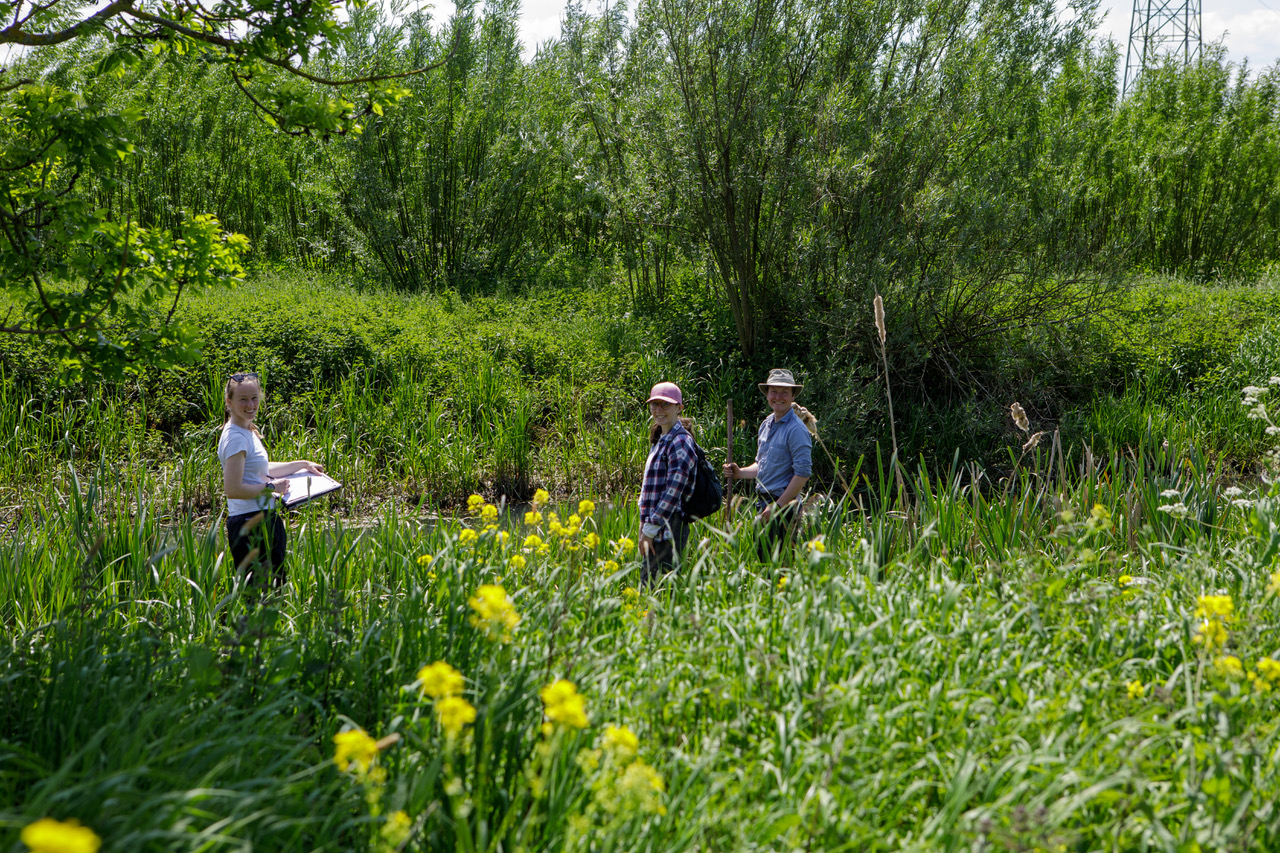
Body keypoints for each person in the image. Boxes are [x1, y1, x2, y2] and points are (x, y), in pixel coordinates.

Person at [218, 371, 324, 589]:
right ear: (229, 401)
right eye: (243, 399)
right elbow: (232, 488)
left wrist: (303, 464)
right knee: (260, 597)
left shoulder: (246, 430)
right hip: (250, 524)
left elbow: (261, 469)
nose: (251, 404)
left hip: (262, 519)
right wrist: (270, 488)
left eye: (255, 398)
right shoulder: (235, 437)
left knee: (272, 592)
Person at [722, 368, 812, 561]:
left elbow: (803, 473)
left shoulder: (796, 429)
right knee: (765, 563)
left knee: (780, 568)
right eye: (774, 391)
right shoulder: (767, 423)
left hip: (784, 507)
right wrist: (740, 473)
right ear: (767, 394)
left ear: (792, 396)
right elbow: (762, 464)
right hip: (763, 504)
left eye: (784, 392)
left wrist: (778, 506)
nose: (778, 397)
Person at [637, 381, 698, 586]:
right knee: (650, 588)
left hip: (668, 529)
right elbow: (650, 492)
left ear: (679, 408)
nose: (658, 410)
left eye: (665, 405)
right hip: (654, 529)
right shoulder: (661, 439)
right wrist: (643, 527)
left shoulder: (680, 442)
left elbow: (673, 492)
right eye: (655, 404)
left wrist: (650, 529)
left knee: (659, 592)